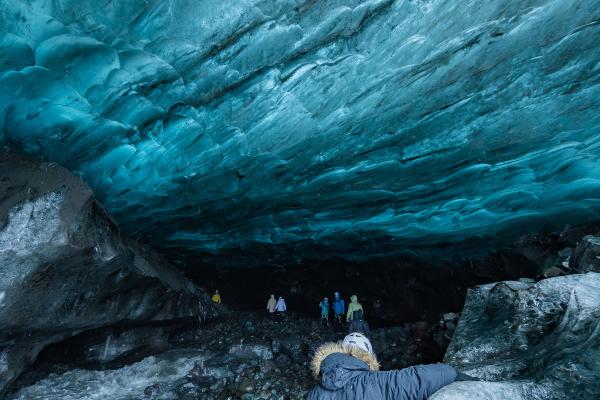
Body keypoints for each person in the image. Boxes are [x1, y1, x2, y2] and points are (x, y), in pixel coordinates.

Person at [308, 332, 458, 399]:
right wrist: (452, 371)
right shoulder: (377, 382)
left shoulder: (315, 393)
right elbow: (419, 379)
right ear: (368, 356)